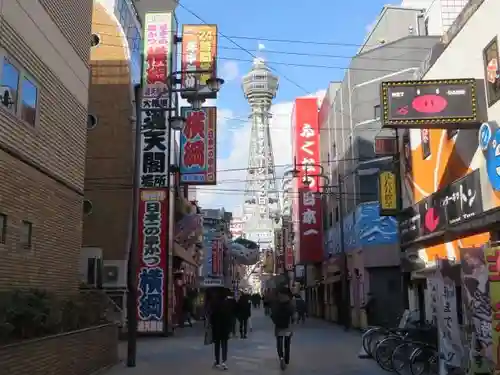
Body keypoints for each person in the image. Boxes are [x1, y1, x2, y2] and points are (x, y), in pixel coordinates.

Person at [271, 287, 295, 370]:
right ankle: (287, 359)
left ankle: (281, 357)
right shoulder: (290, 303)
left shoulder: (276, 303)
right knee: (287, 343)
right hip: (288, 326)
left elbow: (272, 314)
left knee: (279, 343)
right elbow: (294, 315)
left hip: (279, 326)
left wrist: (276, 321)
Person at [209, 288, 232, 370]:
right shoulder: (227, 304)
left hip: (216, 328)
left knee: (217, 345)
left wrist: (212, 325)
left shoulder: (214, 304)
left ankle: (217, 361)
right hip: (225, 328)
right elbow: (230, 317)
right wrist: (230, 328)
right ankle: (224, 362)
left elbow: (211, 316)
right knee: (224, 344)